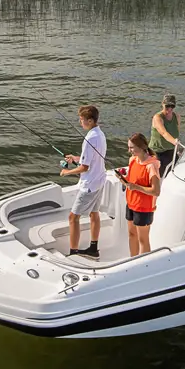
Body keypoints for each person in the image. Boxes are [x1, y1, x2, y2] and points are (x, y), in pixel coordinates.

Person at [60, 105, 107, 259]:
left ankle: (73, 253)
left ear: (90, 120)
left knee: (73, 218)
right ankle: (93, 248)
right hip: (99, 181)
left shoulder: (89, 139)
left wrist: (67, 172)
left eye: (82, 120)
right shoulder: (100, 134)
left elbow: (85, 168)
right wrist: (75, 159)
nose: (80, 123)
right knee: (94, 214)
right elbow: (91, 160)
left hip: (89, 186)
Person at [117, 133, 161, 257]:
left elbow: (156, 191)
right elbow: (131, 181)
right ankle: (133, 260)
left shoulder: (151, 166)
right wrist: (122, 179)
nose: (129, 150)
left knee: (143, 239)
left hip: (144, 207)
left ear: (141, 147)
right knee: (131, 234)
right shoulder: (132, 160)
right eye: (129, 147)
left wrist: (136, 187)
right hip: (131, 203)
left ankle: (144, 265)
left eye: (131, 147)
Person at [147, 94, 181, 177]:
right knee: (158, 175)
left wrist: (177, 148)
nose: (169, 109)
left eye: (172, 107)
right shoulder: (157, 117)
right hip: (157, 152)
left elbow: (176, 133)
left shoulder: (177, 117)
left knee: (175, 171)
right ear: (162, 104)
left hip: (170, 150)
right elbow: (164, 133)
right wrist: (174, 142)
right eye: (167, 106)